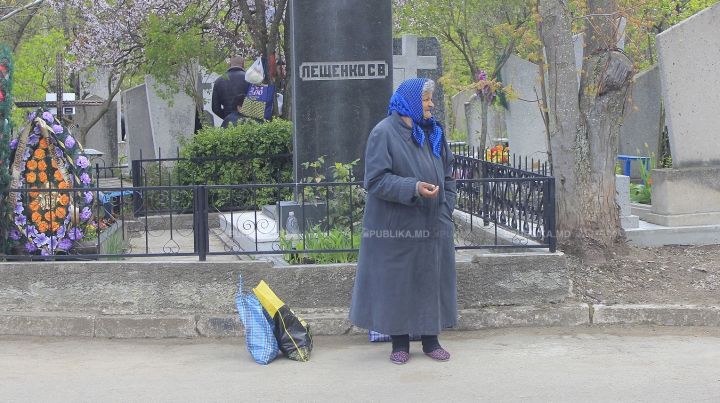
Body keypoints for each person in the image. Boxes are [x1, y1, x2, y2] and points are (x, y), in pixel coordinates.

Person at [349, 78, 458, 365]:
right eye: (426, 100)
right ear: (410, 101)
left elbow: (448, 172)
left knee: (430, 279)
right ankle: (399, 343)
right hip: (398, 224)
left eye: (431, 99)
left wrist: (447, 206)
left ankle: (431, 340)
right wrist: (413, 188)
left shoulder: (433, 132)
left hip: (434, 221)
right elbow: (375, 180)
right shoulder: (383, 133)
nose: (431, 104)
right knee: (399, 283)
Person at [212, 55, 249, 120]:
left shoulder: (219, 81)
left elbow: (215, 108)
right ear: (243, 65)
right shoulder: (249, 79)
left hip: (228, 122)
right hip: (247, 121)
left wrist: (227, 117)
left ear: (229, 65)